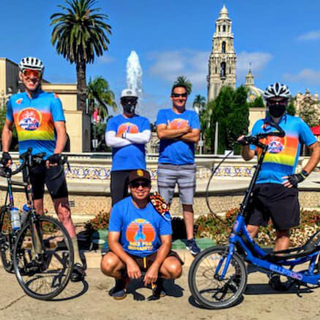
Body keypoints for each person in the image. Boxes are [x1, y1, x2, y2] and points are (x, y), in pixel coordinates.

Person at [1, 56, 85, 281]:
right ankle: (39, 255)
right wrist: (6, 152)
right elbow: (7, 129)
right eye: (27, 73)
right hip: (29, 164)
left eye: (35, 74)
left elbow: (62, 131)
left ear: (40, 76)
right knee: (37, 212)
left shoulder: (51, 100)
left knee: (63, 212)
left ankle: (76, 260)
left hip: (50, 163)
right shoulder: (14, 102)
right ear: (21, 75)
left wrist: (57, 153)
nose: (31, 77)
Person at [238, 82, 320, 285]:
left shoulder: (297, 123)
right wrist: (244, 144)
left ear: (286, 102)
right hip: (260, 185)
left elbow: (316, 148)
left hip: (284, 187)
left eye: (280, 101)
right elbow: (248, 156)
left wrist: (302, 175)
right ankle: (239, 274)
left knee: (282, 232)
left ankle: (276, 273)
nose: (276, 104)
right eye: (272, 101)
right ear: (267, 102)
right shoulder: (260, 125)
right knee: (249, 230)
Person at [101, 169, 183, 300]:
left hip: (153, 254)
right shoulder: (119, 207)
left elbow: (167, 242)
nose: (140, 188)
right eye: (135, 185)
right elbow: (112, 241)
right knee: (107, 264)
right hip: (128, 253)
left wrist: (155, 266)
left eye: (144, 184)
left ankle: (158, 280)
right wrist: (128, 261)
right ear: (129, 187)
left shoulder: (160, 207)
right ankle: (122, 280)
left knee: (175, 269)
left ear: (150, 187)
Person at [156, 84, 201, 256]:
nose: (180, 98)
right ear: (171, 97)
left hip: (187, 166)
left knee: (188, 204)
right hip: (166, 165)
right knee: (163, 205)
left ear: (186, 97)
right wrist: (183, 130)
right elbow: (161, 134)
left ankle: (190, 240)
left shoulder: (192, 115)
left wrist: (171, 131)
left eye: (183, 95)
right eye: (176, 95)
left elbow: (195, 137)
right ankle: (163, 239)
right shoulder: (163, 113)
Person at [106, 89, 151, 206]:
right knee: (117, 204)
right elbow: (110, 141)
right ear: (121, 103)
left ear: (136, 103)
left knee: (139, 202)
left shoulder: (143, 121)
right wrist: (135, 139)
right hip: (118, 169)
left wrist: (124, 135)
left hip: (138, 167)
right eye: (126, 101)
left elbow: (145, 138)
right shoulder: (113, 121)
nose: (129, 104)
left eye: (132, 101)